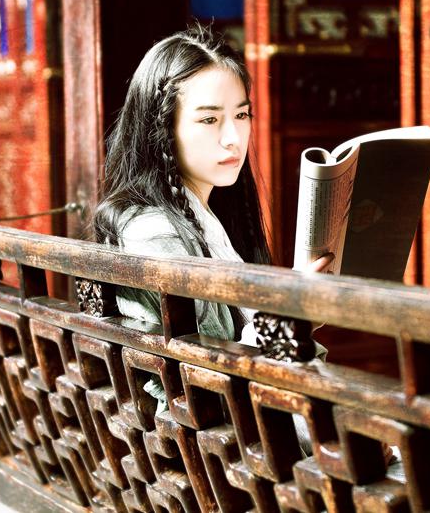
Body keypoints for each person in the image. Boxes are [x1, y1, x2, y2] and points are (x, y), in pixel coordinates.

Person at [93, 24, 332, 410]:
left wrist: (296, 311)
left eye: (242, 114)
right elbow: (200, 382)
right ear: (162, 128)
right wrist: (287, 316)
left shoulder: (205, 217)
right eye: (209, 120)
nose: (233, 138)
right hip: (218, 434)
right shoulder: (155, 233)